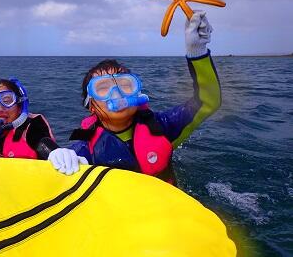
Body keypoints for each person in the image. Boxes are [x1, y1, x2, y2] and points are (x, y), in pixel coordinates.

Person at [69, 11, 221, 183]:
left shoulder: (163, 126)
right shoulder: (83, 150)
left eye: (125, 84)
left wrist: (198, 53)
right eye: (103, 88)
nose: (117, 93)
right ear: (91, 105)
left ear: (137, 92)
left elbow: (208, 100)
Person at [0, 78, 88, 175]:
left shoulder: (32, 126)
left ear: (19, 105)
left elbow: (40, 140)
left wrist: (56, 153)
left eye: (7, 101)